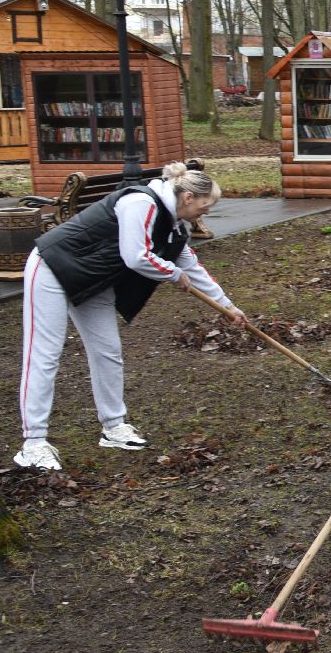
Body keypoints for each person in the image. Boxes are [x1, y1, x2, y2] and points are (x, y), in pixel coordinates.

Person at [13, 162, 246, 473]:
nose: (206, 212)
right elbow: (135, 255)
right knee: (45, 355)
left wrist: (227, 306)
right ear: (188, 196)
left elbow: (190, 264)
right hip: (53, 268)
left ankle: (114, 427)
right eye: (206, 204)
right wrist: (172, 275)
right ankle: (33, 443)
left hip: (94, 281)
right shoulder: (140, 202)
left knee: (108, 352)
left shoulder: (177, 226)